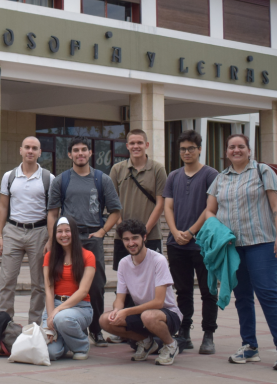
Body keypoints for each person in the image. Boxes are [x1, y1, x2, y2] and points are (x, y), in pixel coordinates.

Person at [203, 133, 277, 371]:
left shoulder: (263, 172)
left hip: (262, 242)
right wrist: (217, 229)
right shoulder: (220, 178)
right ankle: (249, 346)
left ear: (249, 150)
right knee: (242, 297)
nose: (236, 150)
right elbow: (209, 211)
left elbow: (276, 206)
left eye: (240, 146)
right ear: (226, 151)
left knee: (267, 294)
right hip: (233, 247)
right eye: (231, 147)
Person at [46, 137, 121, 347]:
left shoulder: (101, 179)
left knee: (96, 286)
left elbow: (116, 211)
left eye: (84, 150)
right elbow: (52, 214)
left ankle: (96, 330)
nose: (80, 153)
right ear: (69, 155)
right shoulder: (61, 180)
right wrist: (53, 240)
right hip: (66, 239)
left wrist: (102, 231)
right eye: (76, 150)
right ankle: (61, 324)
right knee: (64, 283)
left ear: (90, 153)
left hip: (91, 239)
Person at [162, 129, 219, 354]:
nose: (187, 152)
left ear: (199, 150)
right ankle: (184, 333)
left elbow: (210, 208)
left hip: (203, 243)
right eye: (183, 149)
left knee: (208, 291)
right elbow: (168, 206)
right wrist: (175, 231)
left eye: (191, 148)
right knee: (183, 291)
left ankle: (209, 334)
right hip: (177, 244)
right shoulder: (174, 176)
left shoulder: (210, 174)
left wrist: (191, 231)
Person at [99, 219, 183, 367]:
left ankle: (170, 344)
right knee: (105, 320)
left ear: (144, 237)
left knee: (148, 315)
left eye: (134, 238)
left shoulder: (159, 260)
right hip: (142, 313)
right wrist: (118, 310)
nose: (131, 243)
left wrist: (126, 312)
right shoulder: (124, 263)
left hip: (166, 314)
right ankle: (146, 342)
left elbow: (159, 302)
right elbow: (120, 298)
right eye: (126, 239)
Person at [0, 136, 52, 324]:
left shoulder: (48, 178)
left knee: (39, 284)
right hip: (13, 230)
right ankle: (5, 324)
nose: (30, 151)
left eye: (34, 148)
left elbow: (53, 212)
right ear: (20, 150)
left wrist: (51, 239)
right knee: (6, 282)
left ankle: (34, 325)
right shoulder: (9, 176)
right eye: (27, 147)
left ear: (39, 153)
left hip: (39, 232)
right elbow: (2, 207)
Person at [109, 129, 167, 268]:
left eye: (140, 143)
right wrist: (125, 232)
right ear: (127, 146)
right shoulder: (117, 169)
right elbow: (112, 204)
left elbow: (160, 204)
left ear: (146, 145)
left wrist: (143, 232)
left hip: (151, 235)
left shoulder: (158, 169)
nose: (136, 146)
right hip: (123, 237)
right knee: (124, 281)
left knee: (152, 279)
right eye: (132, 143)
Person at [43, 217, 96, 361]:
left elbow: (83, 291)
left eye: (67, 231)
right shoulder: (49, 256)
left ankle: (81, 346)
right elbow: (49, 289)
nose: (64, 235)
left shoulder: (88, 256)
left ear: (74, 232)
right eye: (59, 231)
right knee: (50, 353)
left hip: (80, 307)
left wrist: (57, 311)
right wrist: (50, 315)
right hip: (54, 304)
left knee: (63, 319)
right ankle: (67, 337)